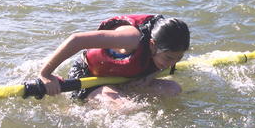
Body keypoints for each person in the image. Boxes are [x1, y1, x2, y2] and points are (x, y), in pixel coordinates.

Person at [39, 14, 190, 110]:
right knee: (126, 108)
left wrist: (148, 78)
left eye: (178, 58)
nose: (172, 64)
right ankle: (73, 111)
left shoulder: (167, 45)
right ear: (152, 44)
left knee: (173, 90)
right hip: (90, 76)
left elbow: (160, 61)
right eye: (169, 58)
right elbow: (77, 40)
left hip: (125, 77)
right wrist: (45, 74)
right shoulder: (129, 39)